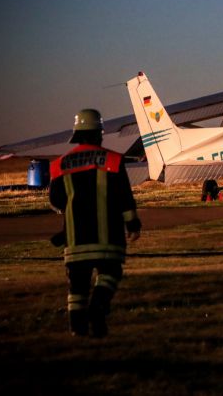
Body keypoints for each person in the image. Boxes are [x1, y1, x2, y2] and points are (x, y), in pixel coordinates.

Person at [49, 109, 141, 337]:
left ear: (77, 134)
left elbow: (56, 201)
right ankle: (98, 307)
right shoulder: (113, 160)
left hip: (75, 241)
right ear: (100, 133)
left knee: (77, 287)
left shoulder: (60, 165)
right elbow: (124, 196)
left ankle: (77, 329)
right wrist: (132, 223)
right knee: (110, 273)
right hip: (107, 238)